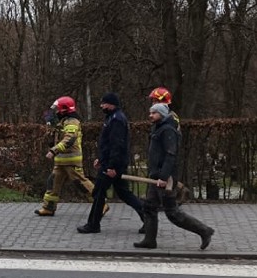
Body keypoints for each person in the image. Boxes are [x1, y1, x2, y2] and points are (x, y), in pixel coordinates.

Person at [134, 103, 213, 249]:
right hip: (155, 176)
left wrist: (164, 177)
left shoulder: (168, 131)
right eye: (150, 112)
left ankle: (204, 231)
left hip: (165, 179)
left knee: (172, 213)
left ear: (162, 114)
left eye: (154, 113)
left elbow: (171, 155)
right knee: (149, 207)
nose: (150, 115)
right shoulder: (158, 128)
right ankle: (149, 240)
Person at [77, 93, 144, 233]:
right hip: (109, 163)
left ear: (111, 104)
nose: (101, 106)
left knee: (99, 192)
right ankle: (148, 218)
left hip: (112, 165)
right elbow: (107, 144)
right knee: (124, 193)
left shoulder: (116, 120)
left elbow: (116, 145)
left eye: (104, 103)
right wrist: (101, 159)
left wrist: (111, 166)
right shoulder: (112, 118)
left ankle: (93, 224)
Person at [35, 96, 95, 216]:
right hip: (61, 160)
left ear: (64, 110)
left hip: (71, 160)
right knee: (52, 183)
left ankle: (101, 203)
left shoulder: (72, 122)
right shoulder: (63, 121)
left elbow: (69, 139)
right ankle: (49, 207)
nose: (56, 111)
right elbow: (58, 136)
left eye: (58, 109)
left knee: (81, 183)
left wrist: (53, 151)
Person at [147, 86, 189, 206]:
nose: (153, 103)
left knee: (168, 180)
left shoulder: (169, 118)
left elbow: (171, 142)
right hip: (162, 154)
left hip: (168, 152)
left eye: (155, 100)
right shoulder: (161, 117)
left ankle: (172, 198)